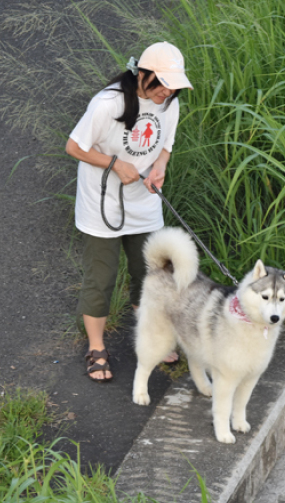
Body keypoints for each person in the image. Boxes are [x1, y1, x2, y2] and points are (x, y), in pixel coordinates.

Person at [65, 42, 193, 382]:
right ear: (142, 73)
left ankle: (150, 339)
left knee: (150, 275)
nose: (167, 90)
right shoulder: (108, 103)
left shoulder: (170, 102)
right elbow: (74, 146)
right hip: (102, 204)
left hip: (144, 201)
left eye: (174, 84)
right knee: (101, 278)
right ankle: (96, 348)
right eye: (161, 82)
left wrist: (159, 168)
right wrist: (114, 163)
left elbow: (165, 146)